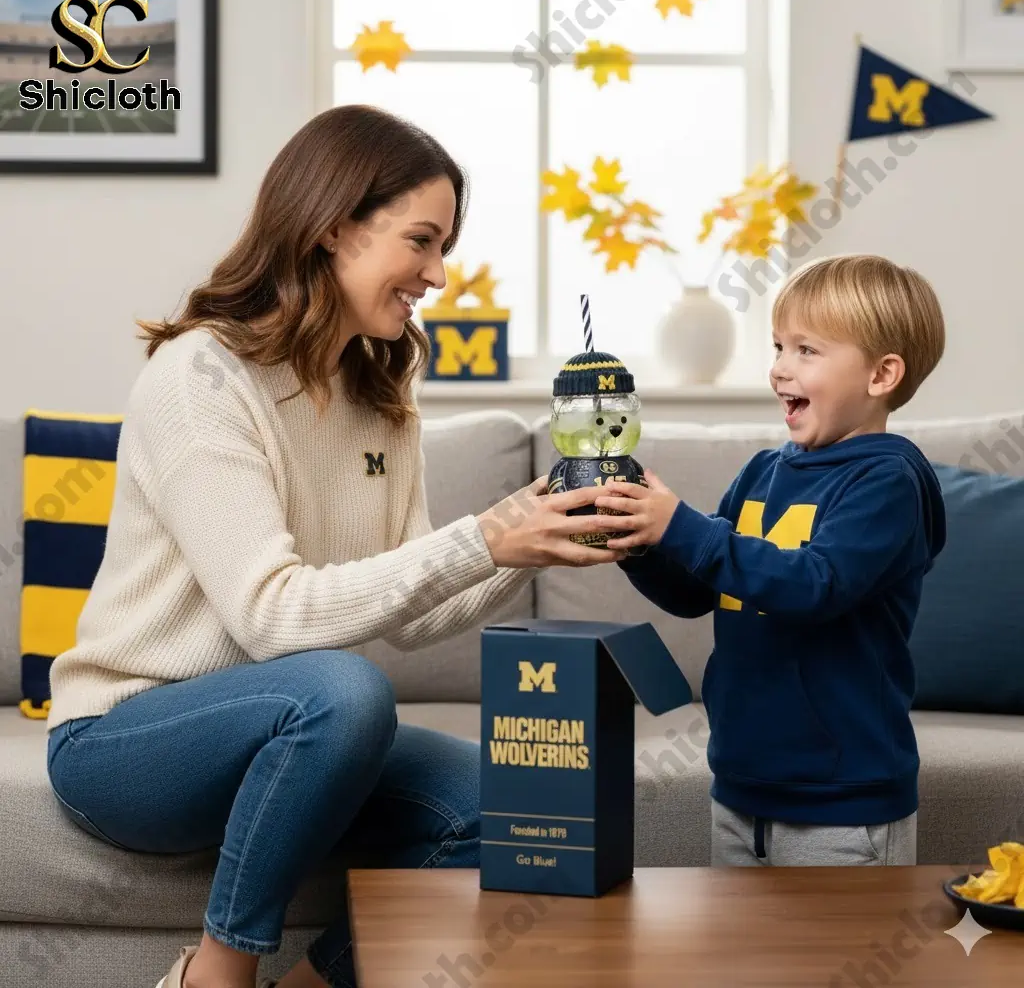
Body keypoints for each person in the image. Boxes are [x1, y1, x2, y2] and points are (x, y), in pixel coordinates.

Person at [44, 104, 635, 988]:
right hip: (131, 740)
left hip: (302, 731)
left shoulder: (380, 386)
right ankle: (214, 976)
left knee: (529, 806)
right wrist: (485, 536)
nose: (439, 274)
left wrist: (537, 532)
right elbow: (272, 616)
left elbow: (413, 613)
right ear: (332, 230)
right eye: (423, 241)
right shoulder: (202, 378)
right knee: (344, 690)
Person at [598, 254, 947, 867]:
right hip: (741, 789)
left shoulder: (889, 481)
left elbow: (816, 585)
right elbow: (699, 590)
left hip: (845, 803)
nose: (779, 367)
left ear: (881, 374)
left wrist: (681, 524)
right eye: (779, 346)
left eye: (807, 351)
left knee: (835, 964)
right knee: (743, 966)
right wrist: (643, 545)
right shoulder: (764, 471)